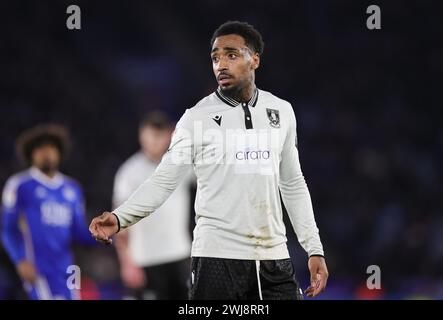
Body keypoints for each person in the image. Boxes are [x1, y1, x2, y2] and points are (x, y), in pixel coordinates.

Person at [90, 21, 329, 300]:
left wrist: (314, 247)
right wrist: (120, 218)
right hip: (216, 258)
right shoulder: (196, 119)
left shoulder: (282, 112)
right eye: (215, 57)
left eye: (231, 55)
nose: (221, 64)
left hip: (273, 256)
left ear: (255, 60)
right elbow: (164, 179)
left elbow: (292, 182)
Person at [1, 124, 95, 300]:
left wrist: (104, 235)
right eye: (40, 149)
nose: (47, 153)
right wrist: (20, 260)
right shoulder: (20, 186)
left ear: (59, 152)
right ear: (31, 154)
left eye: (51, 147)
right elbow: (7, 229)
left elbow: (78, 231)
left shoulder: (72, 189)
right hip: (37, 267)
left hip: (67, 269)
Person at [113, 111, 193, 299]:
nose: (155, 141)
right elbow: (120, 222)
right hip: (146, 259)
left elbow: (211, 175)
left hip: (180, 254)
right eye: (151, 135)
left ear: (169, 135)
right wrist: (127, 263)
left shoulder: (181, 163)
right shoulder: (129, 172)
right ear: (142, 136)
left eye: (159, 135)